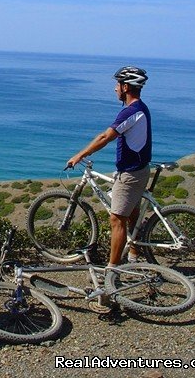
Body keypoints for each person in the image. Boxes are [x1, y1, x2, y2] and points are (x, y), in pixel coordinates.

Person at [67, 66, 151, 270]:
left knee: (117, 219)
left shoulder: (130, 112)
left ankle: (112, 270)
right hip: (140, 169)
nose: (115, 89)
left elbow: (105, 137)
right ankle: (133, 251)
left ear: (125, 87)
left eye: (117, 85)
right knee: (131, 211)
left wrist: (80, 154)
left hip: (130, 174)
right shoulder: (142, 108)